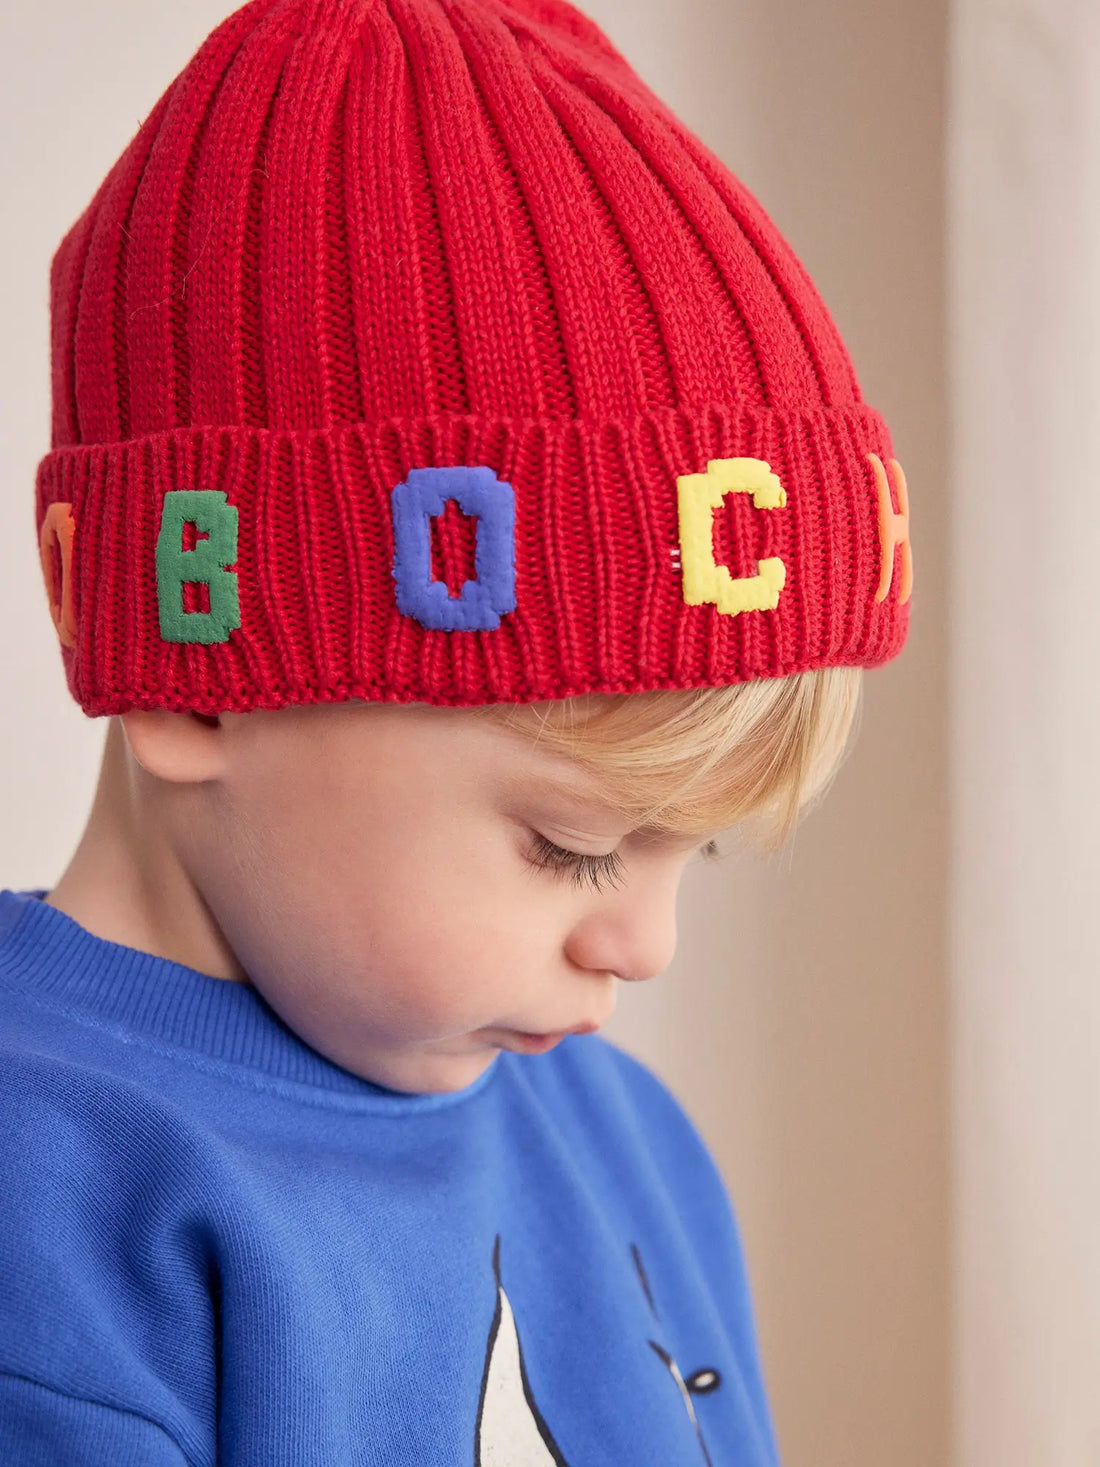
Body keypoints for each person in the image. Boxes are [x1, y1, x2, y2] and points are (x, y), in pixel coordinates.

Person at [0, 0, 914, 1460]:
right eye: (571, 845)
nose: (645, 946)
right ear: (198, 680)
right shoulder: (55, 1206)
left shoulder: (623, 1144)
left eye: (694, 852)